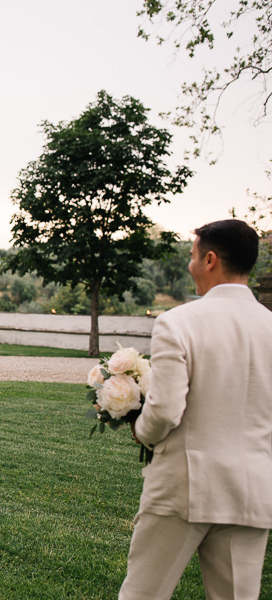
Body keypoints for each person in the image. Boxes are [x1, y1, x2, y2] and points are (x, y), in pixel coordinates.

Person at [119, 219, 272, 600]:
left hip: (183, 486)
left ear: (210, 260)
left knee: (143, 594)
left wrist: (142, 431)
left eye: (192, 256)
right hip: (252, 488)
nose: (189, 265)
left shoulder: (178, 322)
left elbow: (167, 410)